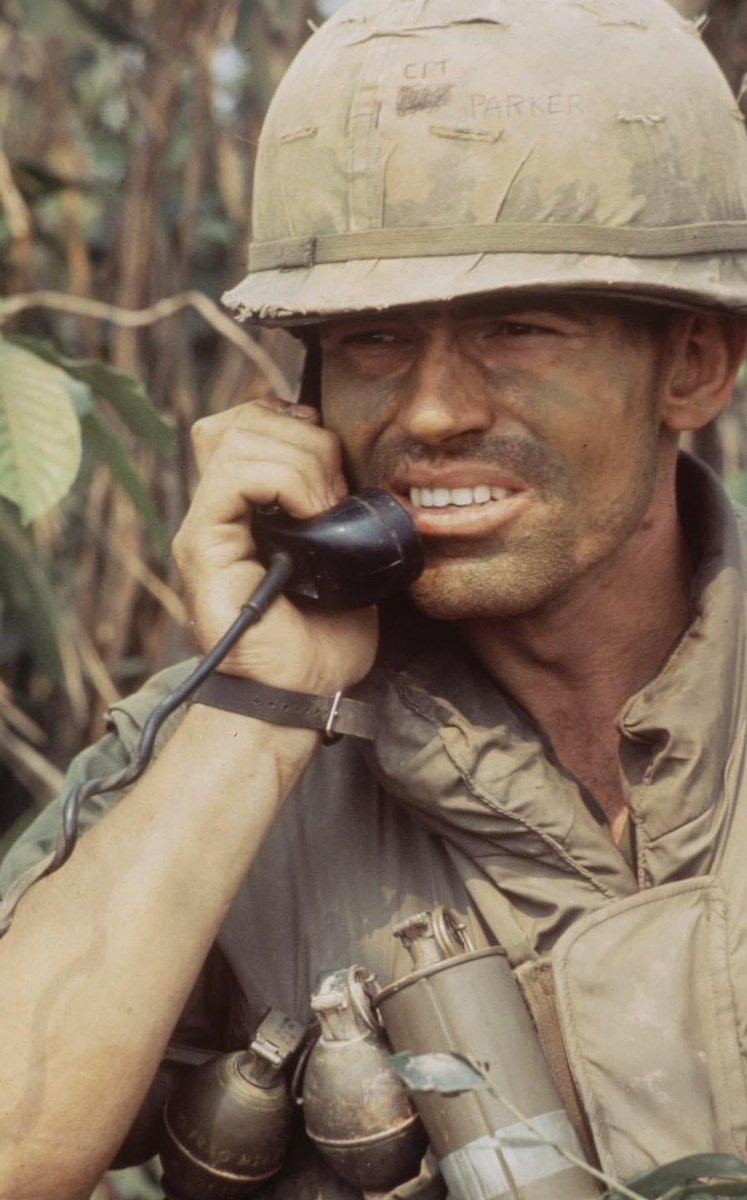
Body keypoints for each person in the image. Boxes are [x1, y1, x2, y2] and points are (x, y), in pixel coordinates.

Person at [4, 0, 747, 1196]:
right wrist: (256, 712)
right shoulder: (220, 740)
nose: (435, 411)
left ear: (694, 368)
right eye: (376, 340)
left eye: (520, 330)